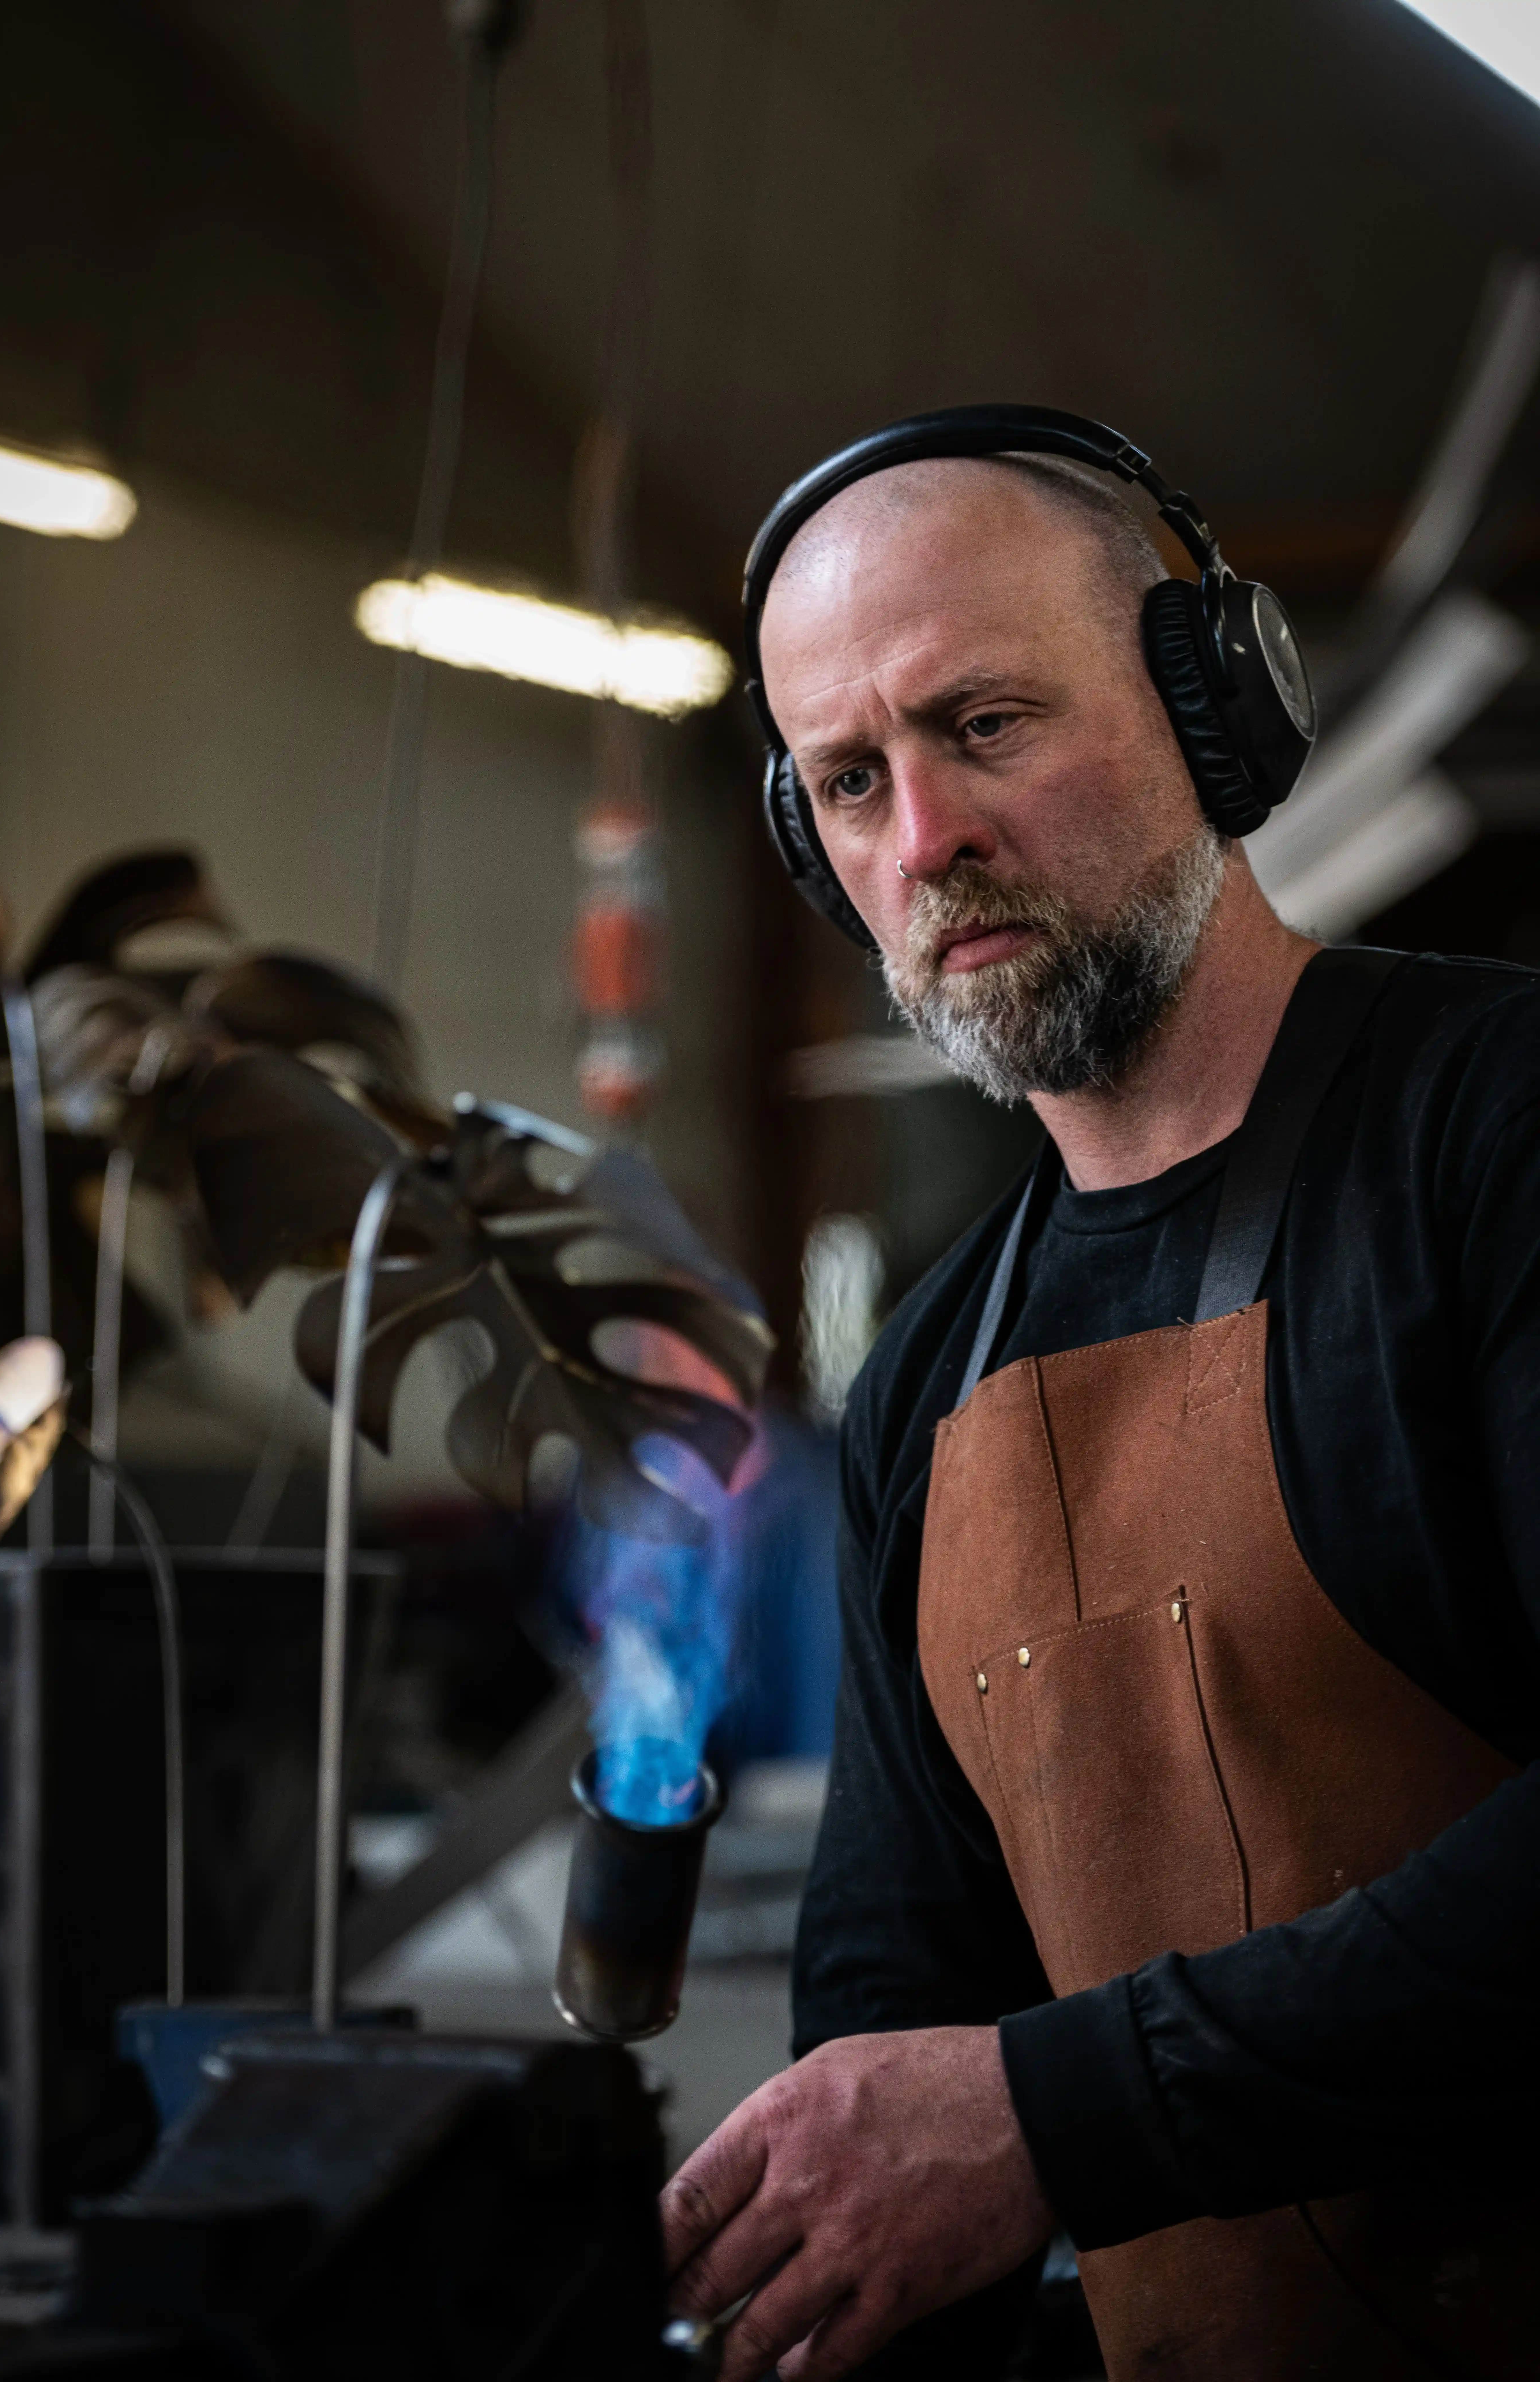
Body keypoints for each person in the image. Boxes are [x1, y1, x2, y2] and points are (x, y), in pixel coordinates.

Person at [657, 411, 1540, 2382]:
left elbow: (1000, 2120)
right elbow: (894, 2041)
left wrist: (1061, 2120)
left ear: (1213, 712)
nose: (925, 841)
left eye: (984, 727)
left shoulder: (1494, 1140)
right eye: (851, 781)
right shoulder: (927, 1384)